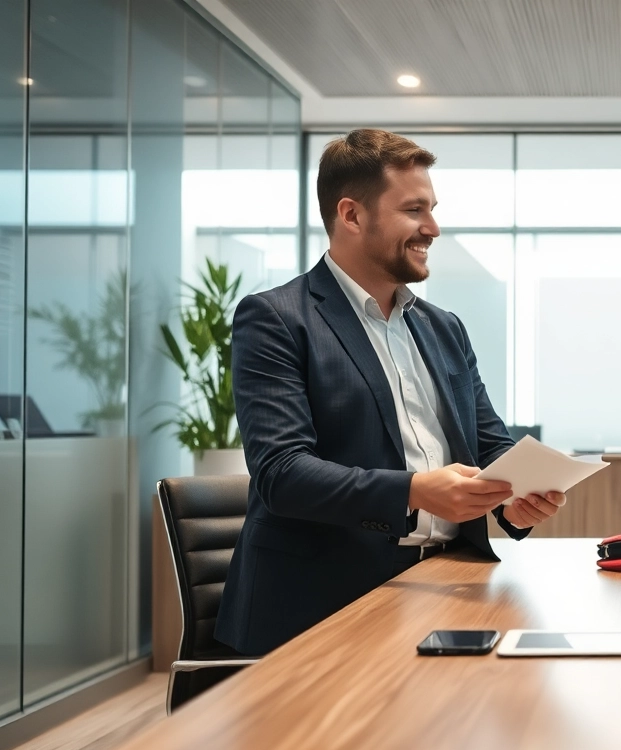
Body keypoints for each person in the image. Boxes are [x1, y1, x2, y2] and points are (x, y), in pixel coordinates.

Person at [215, 129, 566, 655]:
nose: (434, 227)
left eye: (432, 208)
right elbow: (281, 473)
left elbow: (490, 445)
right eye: (414, 210)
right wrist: (414, 490)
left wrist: (513, 502)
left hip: (452, 586)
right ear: (352, 215)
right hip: (326, 606)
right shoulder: (277, 319)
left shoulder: (443, 327)